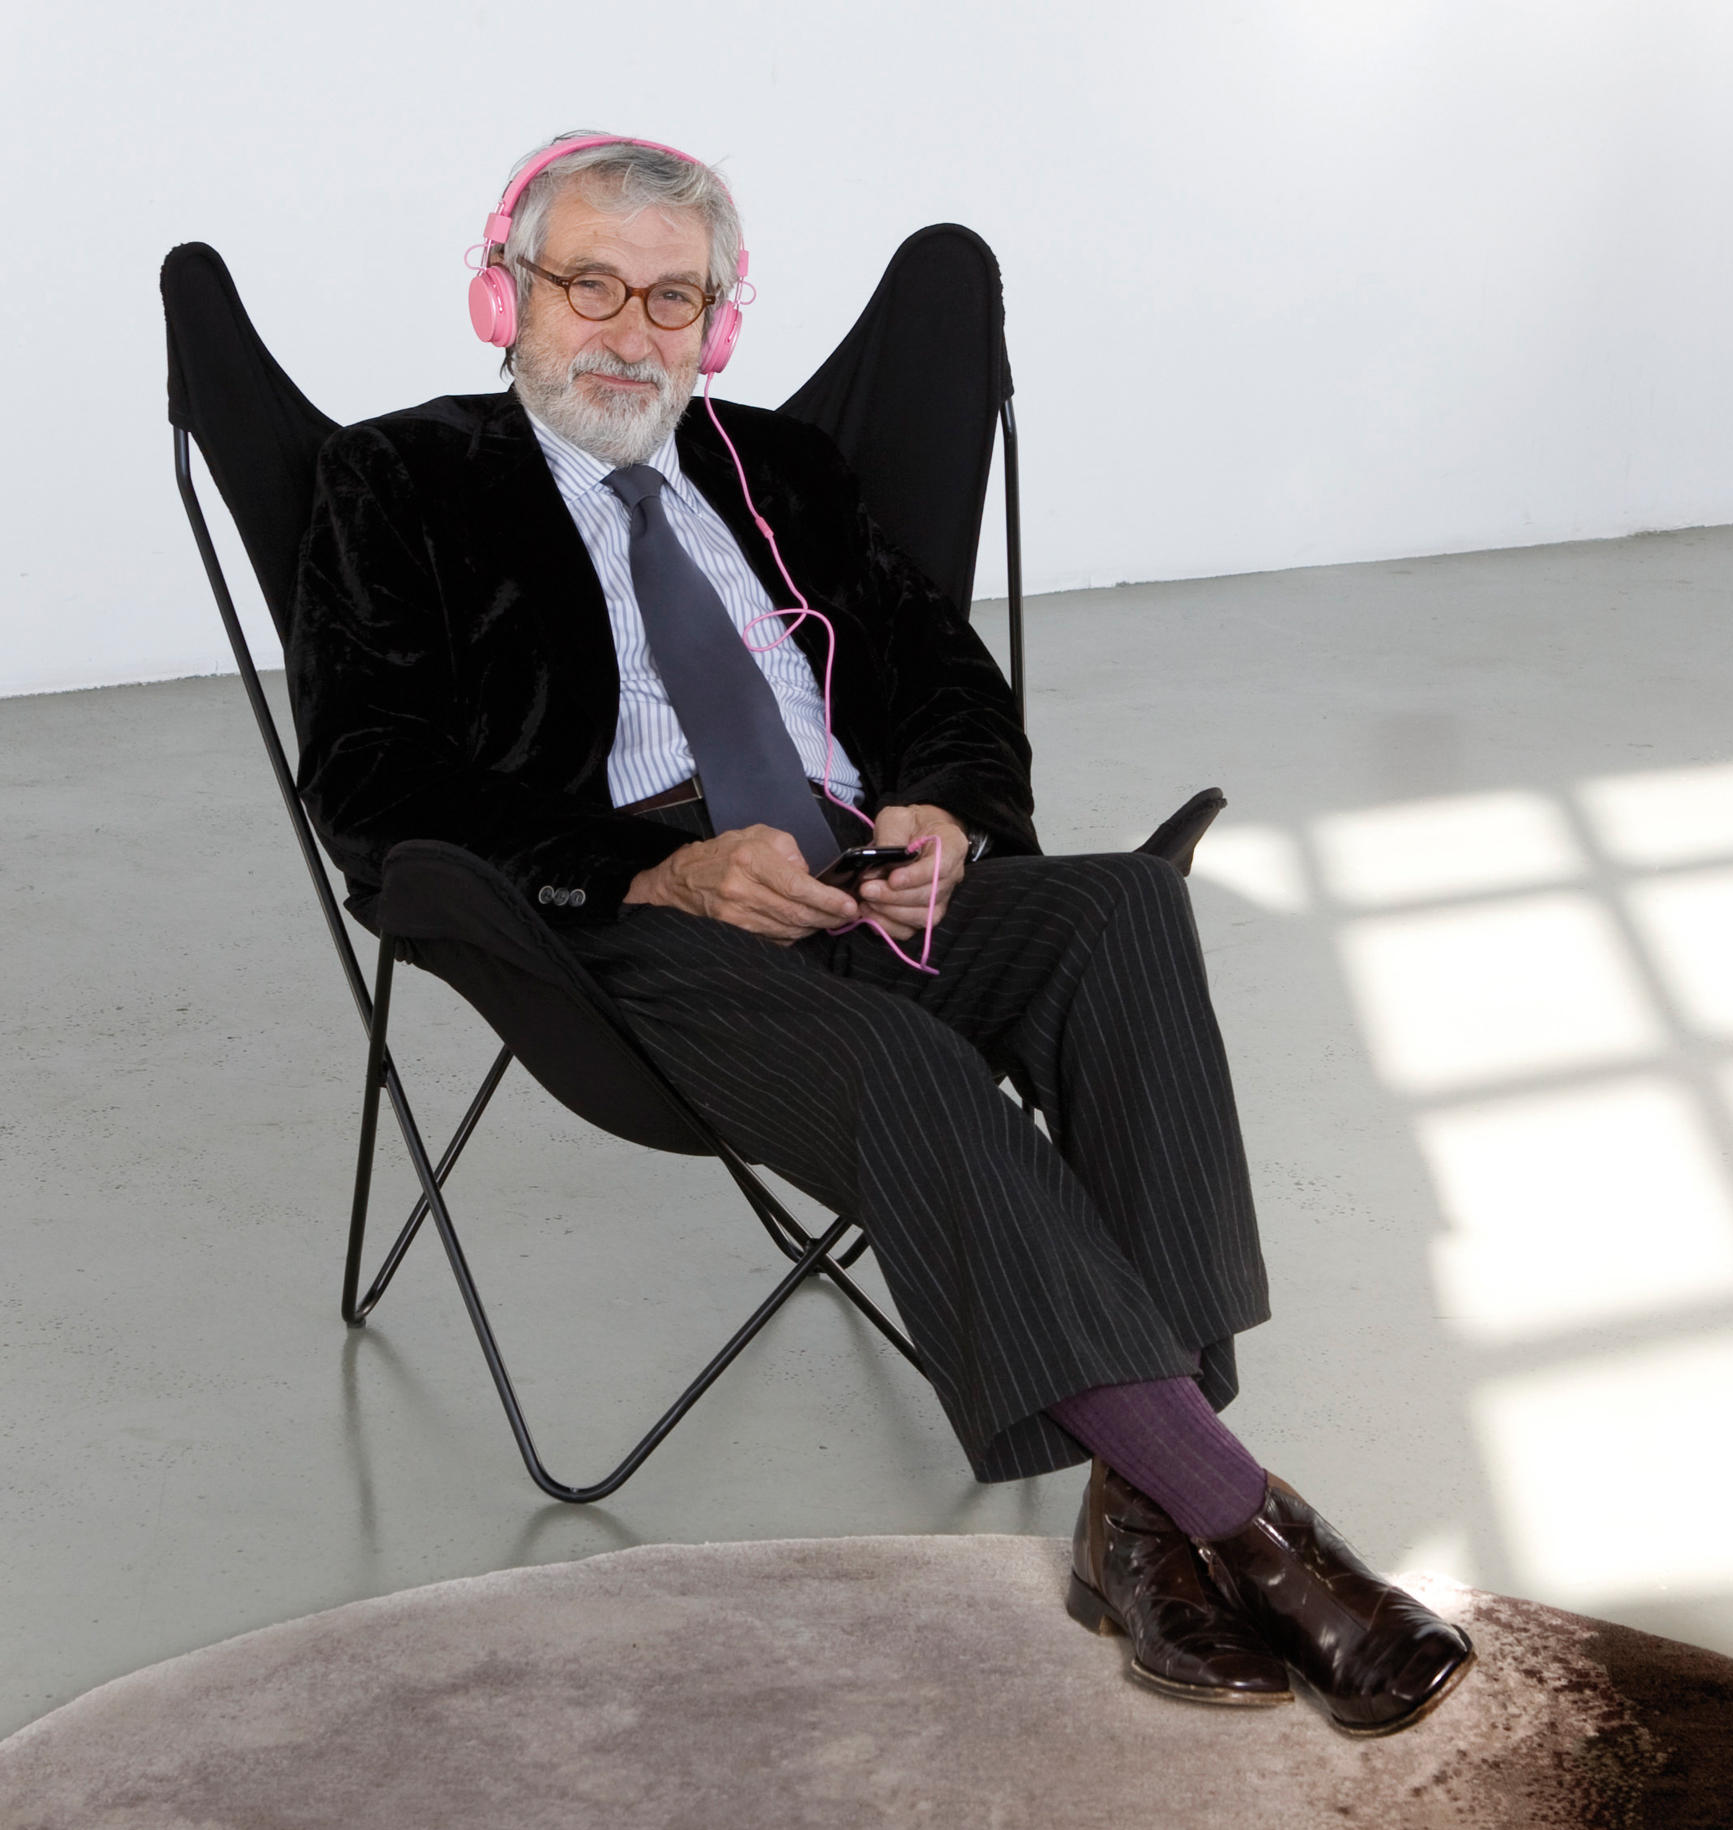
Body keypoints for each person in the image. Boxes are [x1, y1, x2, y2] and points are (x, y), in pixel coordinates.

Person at [290, 131, 1471, 1737]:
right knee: (914, 1071)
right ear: (505, 295)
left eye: (671, 298)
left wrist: (945, 813)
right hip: (624, 919)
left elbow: (940, 679)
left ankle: (1134, 1528)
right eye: (588, 286)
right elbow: (370, 779)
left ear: (717, 323)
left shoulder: (781, 469)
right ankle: (1247, 1527)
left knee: (1123, 909)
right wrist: (659, 874)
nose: (629, 332)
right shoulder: (396, 481)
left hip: (855, 872)